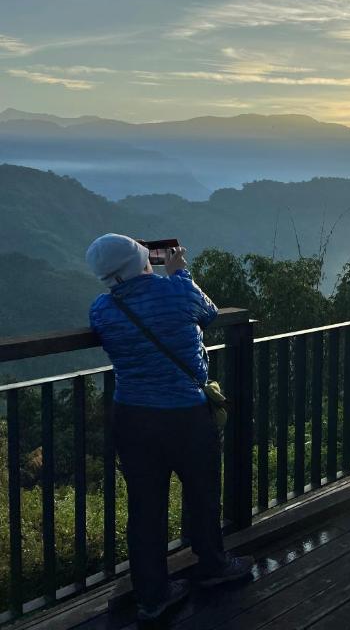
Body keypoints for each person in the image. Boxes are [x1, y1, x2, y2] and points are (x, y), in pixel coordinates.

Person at [86, 234, 253, 622]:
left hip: (132, 417)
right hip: (185, 414)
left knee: (145, 507)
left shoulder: (101, 309)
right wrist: (180, 272)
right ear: (145, 261)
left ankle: (152, 594)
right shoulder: (178, 291)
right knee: (203, 491)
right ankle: (212, 566)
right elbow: (209, 314)